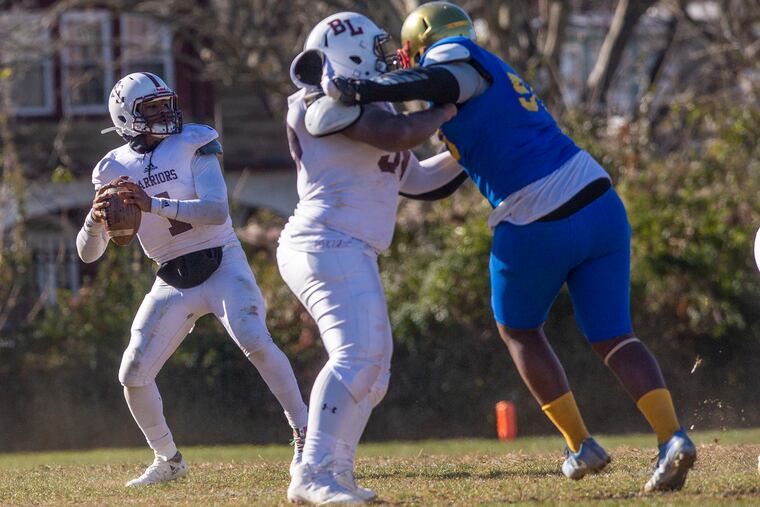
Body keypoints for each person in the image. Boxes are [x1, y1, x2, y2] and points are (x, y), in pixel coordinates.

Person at [324, 1, 696, 493]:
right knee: (613, 335)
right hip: (598, 199)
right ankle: (671, 437)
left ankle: (580, 443)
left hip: (535, 214)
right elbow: (435, 180)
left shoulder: (453, 57)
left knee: (518, 330)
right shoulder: (487, 72)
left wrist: (362, 90)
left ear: (424, 40)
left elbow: (438, 82)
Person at [76, 72, 308, 487]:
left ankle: (307, 436)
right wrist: (95, 222)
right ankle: (168, 459)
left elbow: (217, 210)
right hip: (171, 276)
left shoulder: (194, 143)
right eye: (152, 108)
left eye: (166, 103)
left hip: (221, 260)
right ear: (126, 118)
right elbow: (88, 253)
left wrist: (153, 204)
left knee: (254, 338)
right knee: (132, 372)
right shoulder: (111, 168)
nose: (165, 113)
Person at [279, 11, 463, 504]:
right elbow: (396, 135)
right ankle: (312, 473)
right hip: (323, 242)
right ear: (350, 51)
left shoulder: (372, 113)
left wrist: (469, 152)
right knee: (357, 356)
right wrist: (449, 112)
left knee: (374, 370)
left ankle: (334, 471)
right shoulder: (315, 105)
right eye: (378, 51)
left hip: (347, 246)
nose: (388, 62)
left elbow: (420, 179)